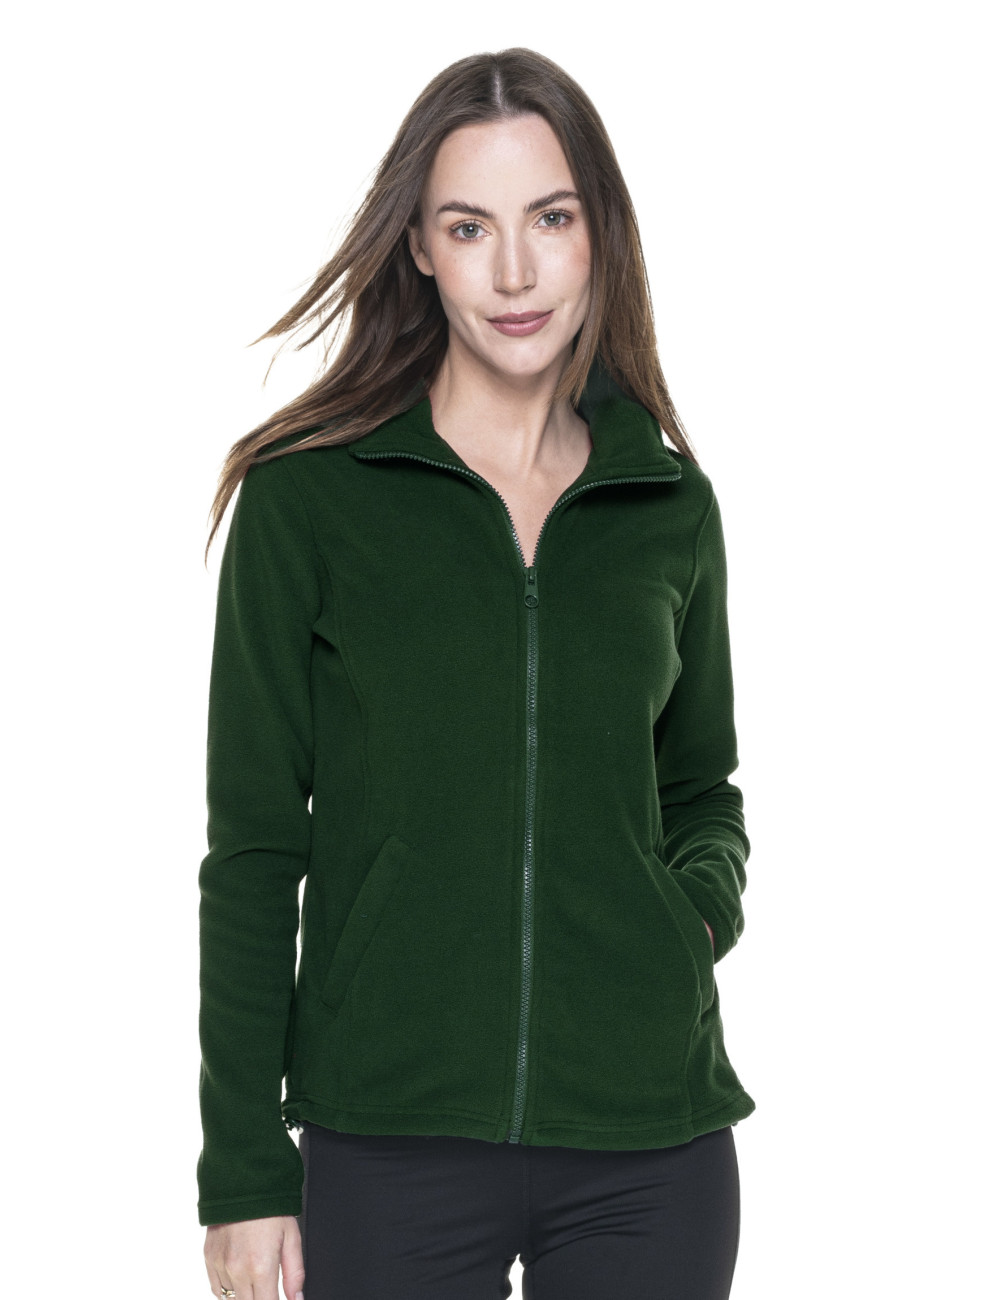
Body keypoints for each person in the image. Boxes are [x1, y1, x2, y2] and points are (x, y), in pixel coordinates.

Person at [197, 46, 755, 1300]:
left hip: (647, 1145)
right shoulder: (308, 500)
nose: (513, 273)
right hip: (386, 1137)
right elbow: (253, 850)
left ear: (598, 232)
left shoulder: (667, 504)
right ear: (417, 247)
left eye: (549, 219)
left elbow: (699, 787)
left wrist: (691, 921)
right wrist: (241, 1169)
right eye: (468, 227)